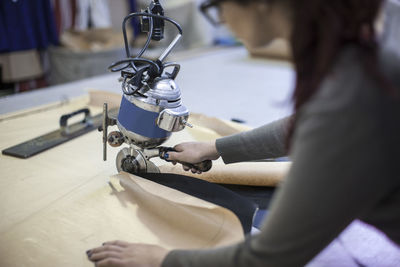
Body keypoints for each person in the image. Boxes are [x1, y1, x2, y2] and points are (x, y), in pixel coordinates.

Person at [87, 0, 400, 266]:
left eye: (217, 6)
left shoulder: (353, 95)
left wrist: (163, 258)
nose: (222, 19)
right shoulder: (375, 27)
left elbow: (267, 259)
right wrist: (215, 148)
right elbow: (309, 122)